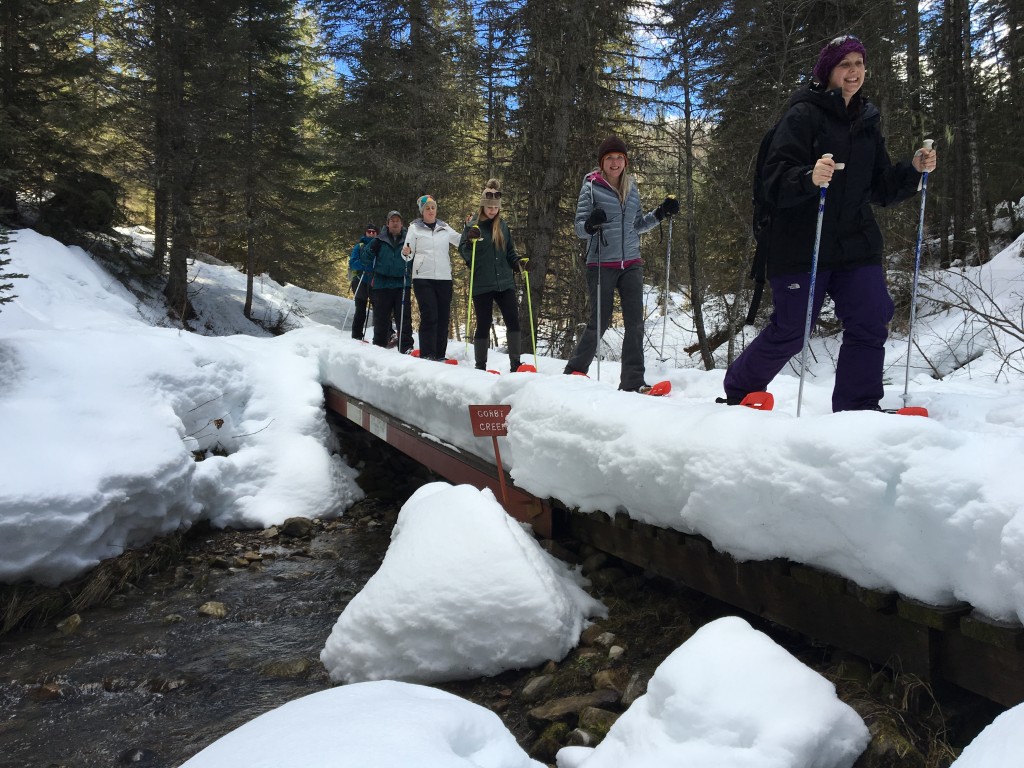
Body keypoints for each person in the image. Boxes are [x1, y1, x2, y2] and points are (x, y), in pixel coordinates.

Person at [720, 35, 937, 412]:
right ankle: (741, 391)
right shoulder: (803, 114)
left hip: (855, 241)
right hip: (801, 242)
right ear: (828, 72)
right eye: (845, 65)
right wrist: (808, 177)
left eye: (859, 63)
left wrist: (912, 170)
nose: (853, 72)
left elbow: (880, 187)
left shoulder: (868, 120)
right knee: (793, 328)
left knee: (871, 318)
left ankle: (857, 408)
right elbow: (774, 177)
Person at [565, 136, 679, 392]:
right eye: (609, 158)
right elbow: (579, 229)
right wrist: (590, 224)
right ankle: (574, 372)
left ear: (625, 161)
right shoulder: (591, 188)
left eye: (619, 158)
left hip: (631, 263)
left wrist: (660, 213)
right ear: (602, 163)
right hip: (601, 263)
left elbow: (637, 225)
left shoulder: (632, 187)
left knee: (635, 324)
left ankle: (632, 381)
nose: (615, 162)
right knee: (600, 321)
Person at [459, 179, 526, 372]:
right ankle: (480, 365)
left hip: (504, 281)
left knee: (512, 319)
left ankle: (516, 364)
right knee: (484, 323)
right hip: (482, 282)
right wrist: (470, 241)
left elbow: (510, 251)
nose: (492, 210)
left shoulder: (503, 226)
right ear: (483, 206)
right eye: (489, 207)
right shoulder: (473, 226)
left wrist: (518, 263)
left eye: (495, 208)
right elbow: (463, 252)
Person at [402, 195, 462, 361]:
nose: (430, 211)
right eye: (427, 208)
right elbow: (407, 253)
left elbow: (459, 240)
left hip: (444, 277)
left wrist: (469, 229)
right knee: (430, 314)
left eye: (433, 207)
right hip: (423, 277)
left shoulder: (444, 227)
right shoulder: (414, 228)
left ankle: (440, 355)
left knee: (443, 316)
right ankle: (428, 354)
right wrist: (406, 252)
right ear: (422, 211)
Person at [365, 210, 414, 353]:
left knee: (404, 318)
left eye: (397, 220)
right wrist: (371, 249)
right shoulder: (379, 240)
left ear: (402, 223)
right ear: (387, 224)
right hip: (382, 284)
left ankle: (406, 347)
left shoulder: (409, 240)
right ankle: (379, 346)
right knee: (381, 318)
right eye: (392, 220)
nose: (395, 223)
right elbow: (365, 259)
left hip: (402, 283)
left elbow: (414, 260)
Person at [348, 223, 378, 340]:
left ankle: (381, 337)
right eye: (369, 231)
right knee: (360, 309)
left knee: (379, 309)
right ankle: (356, 336)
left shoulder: (379, 245)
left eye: (373, 232)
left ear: (377, 234)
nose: (371, 233)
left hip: (374, 281)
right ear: (365, 233)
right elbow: (353, 263)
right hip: (360, 280)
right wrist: (365, 266)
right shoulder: (359, 246)